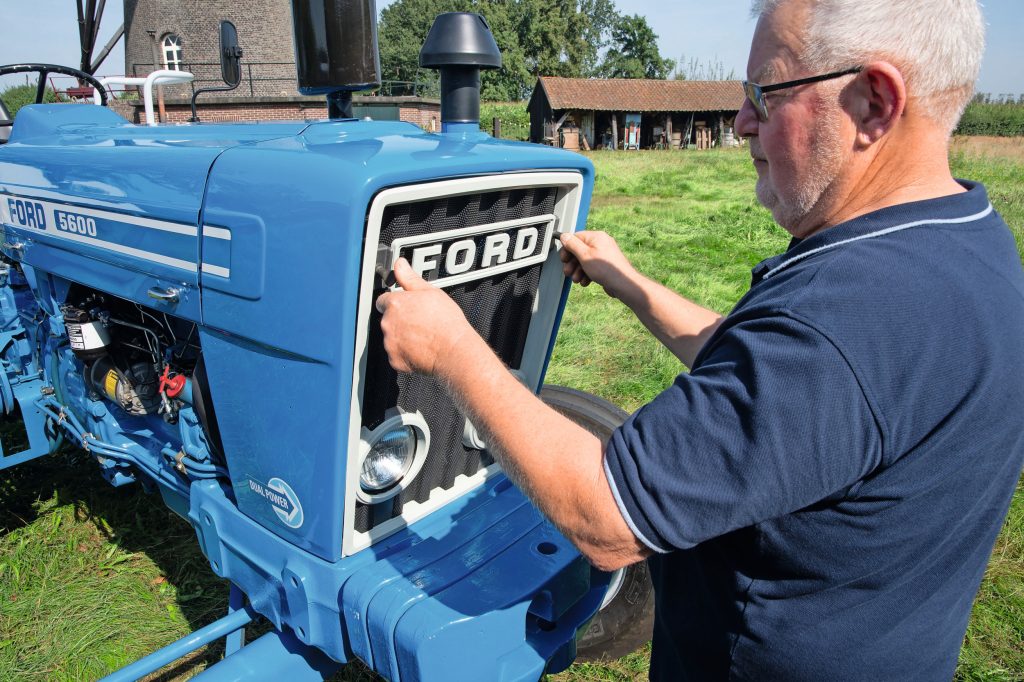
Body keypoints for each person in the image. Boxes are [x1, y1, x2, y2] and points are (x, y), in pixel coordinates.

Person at [376, 0, 1024, 678]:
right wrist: (630, 283)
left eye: (763, 94)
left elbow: (605, 516)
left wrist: (450, 347)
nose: (742, 121)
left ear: (873, 102)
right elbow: (781, 392)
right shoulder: (964, 239)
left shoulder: (843, 320)